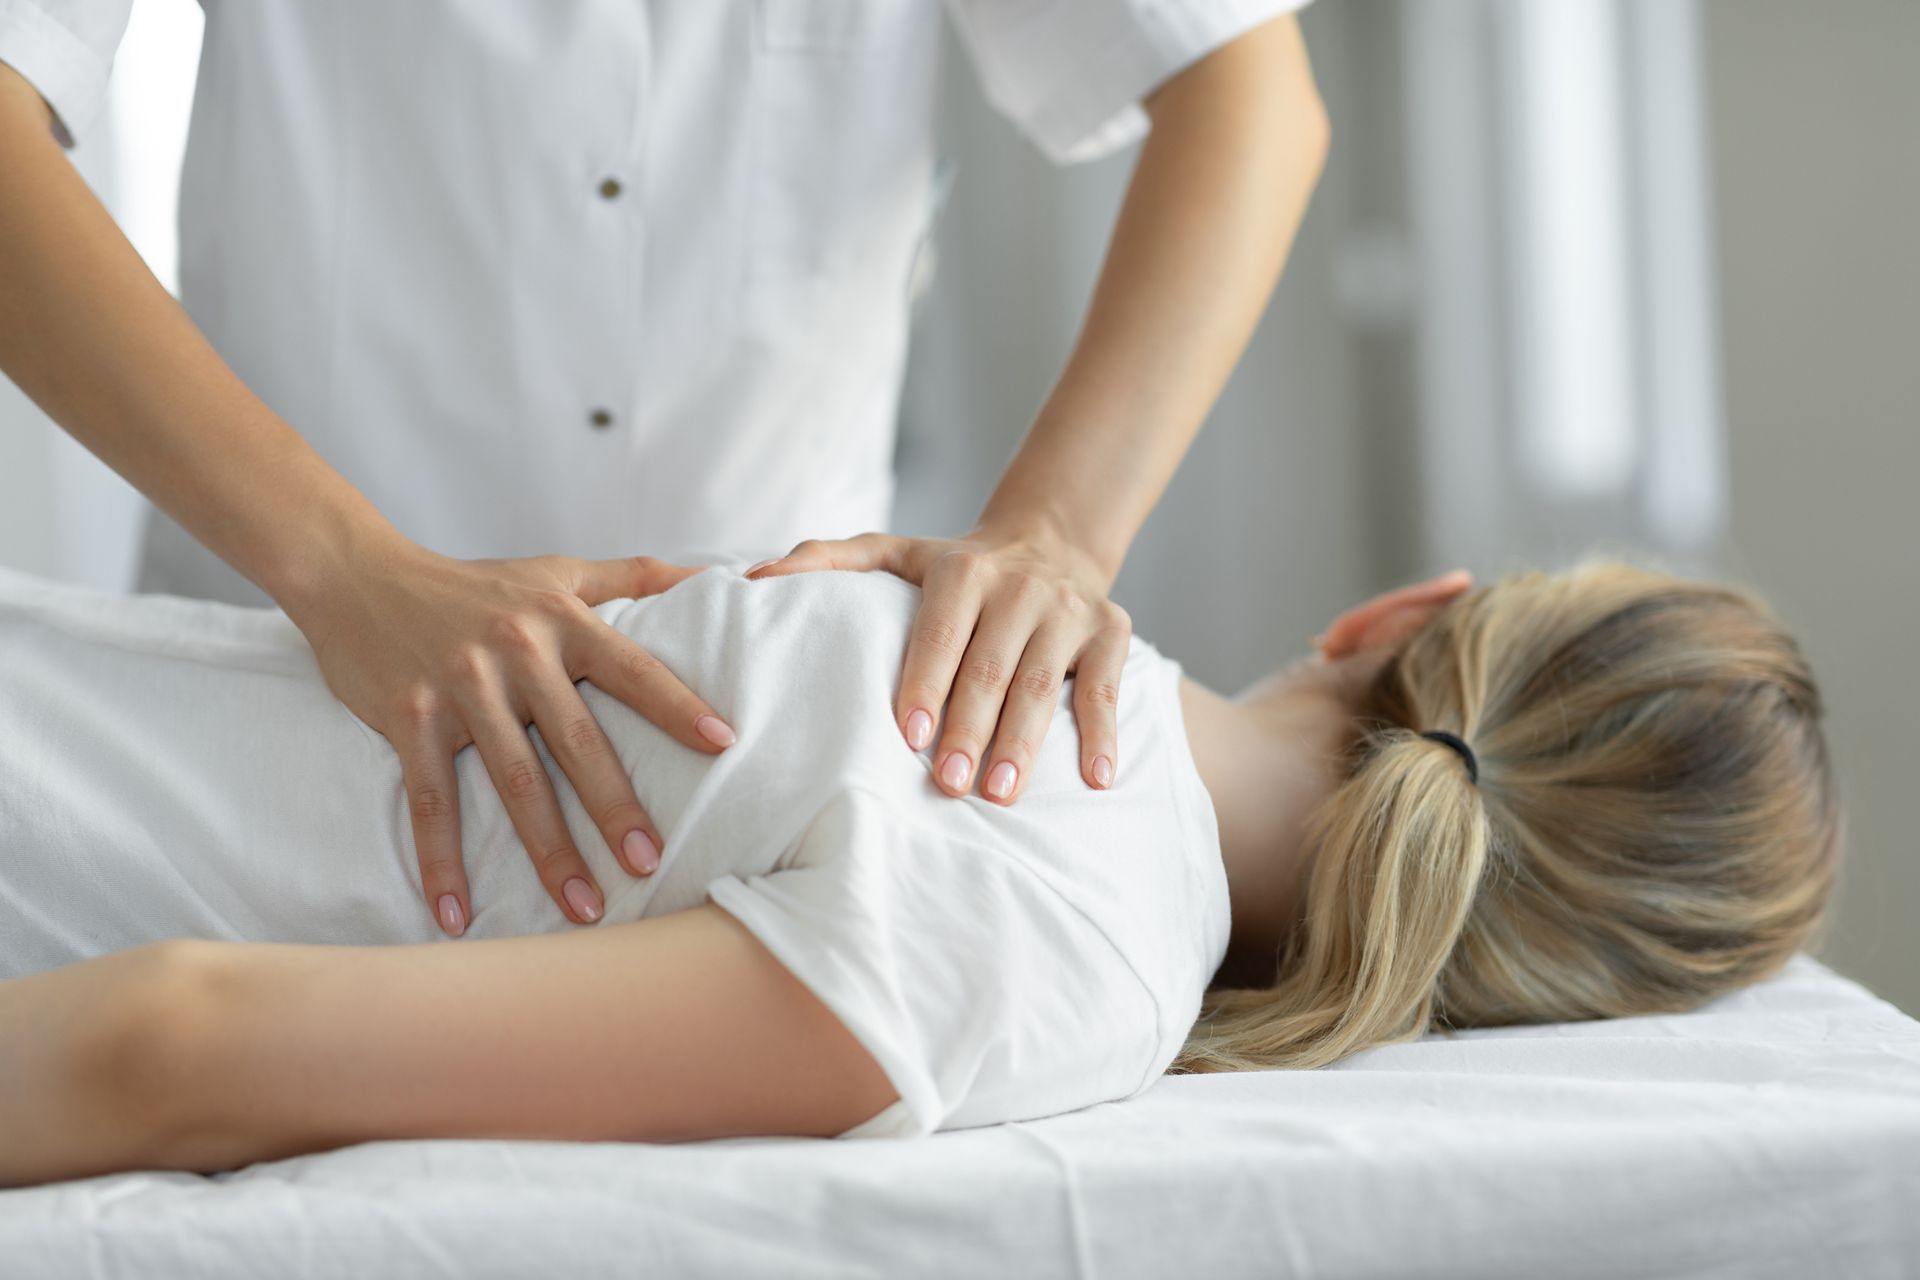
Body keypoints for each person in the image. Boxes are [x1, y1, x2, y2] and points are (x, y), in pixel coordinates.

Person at [0, 4, 1332, 933]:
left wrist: (1057, 534)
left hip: (770, 772)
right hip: (286, 673)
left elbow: (1249, 94)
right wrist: (345, 567)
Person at [0, 553, 1839, 1186]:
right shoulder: (1073, 957)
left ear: (1408, 610)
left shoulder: (970, 623)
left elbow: (193, 1037)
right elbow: (185, 1045)